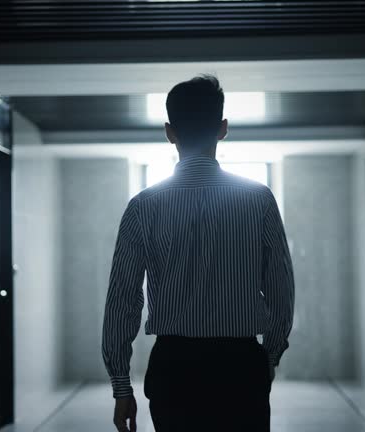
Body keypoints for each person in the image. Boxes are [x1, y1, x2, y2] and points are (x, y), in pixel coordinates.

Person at [101, 74, 295, 432]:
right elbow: (281, 288)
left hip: (174, 366)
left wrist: (121, 385)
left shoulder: (144, 206)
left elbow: (123, 299)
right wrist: (270, 354)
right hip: (241, 364)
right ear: (223, 128)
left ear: (169, 132)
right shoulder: (258, 200)